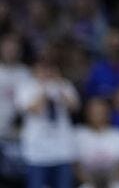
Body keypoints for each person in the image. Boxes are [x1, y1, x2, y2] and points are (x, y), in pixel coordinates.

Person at [14, 54, 80, 188]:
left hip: (62, 150)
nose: (46, 72)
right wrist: (44, 88)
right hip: (37, 151)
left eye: (49, 68)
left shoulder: (64, 84)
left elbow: (75, 107)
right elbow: (35, 109)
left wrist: (59, 85)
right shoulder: (26, 87)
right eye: (42, 68)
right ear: (35, 69)